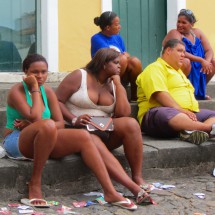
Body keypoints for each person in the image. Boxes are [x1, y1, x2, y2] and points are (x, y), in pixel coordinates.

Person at [2, 53, 149, 210]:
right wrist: (34, 90)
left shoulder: (48, 92)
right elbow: (36, 116)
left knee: (84, 136)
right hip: (16, 140)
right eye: (34, 72)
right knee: (47, 125)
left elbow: (59, 123)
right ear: (25, 72)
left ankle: (110, 191)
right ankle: (35, 183)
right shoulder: (17, 91)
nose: (39, 76)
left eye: (43, 72)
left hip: (45, 138)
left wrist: (37, 124)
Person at [55, 48, 154, 200]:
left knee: (131, 124)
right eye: (116, 63)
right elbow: (57, 100)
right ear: (103, 64)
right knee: (92, 139)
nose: (120, 67)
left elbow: (123, 114)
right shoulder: (79, 76)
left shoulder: (113, 83)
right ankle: (132, 188)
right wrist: (73, 119)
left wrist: (119, 86)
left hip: (103, 129)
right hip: (78, 131)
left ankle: (137, 177)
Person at [136, 39, 215, 145]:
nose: (183, 55)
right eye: (180, 51)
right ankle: (209, 129)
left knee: (212, 115)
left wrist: (185, 111)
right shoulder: (154, 68)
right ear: (168, 50)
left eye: (184, 52)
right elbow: (160, 94)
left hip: (186, 114)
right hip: (157, 114)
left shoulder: (178, 72)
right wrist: (181, 110)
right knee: (167, 114)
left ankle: (189, 132)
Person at [162, 9, 215, 100]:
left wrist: (206, 61)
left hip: (196, 64)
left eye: (184, 22)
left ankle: (198, 92)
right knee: (185, 62)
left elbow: (209, 50)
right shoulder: (174, 33)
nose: (179, 25)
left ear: (192, 24)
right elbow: (180, 52)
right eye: (178, 22)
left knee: (212, 63)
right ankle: (184, 92)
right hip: (174, 65)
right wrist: (201, 60)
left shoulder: (197, 33)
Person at [91, 11, 142, 101]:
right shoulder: (96, 38)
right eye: (117, 24)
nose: (120, 26)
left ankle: (135, 96)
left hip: (119, 72)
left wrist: (123, 56)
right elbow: (108, 56)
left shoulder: (117, 37)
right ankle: (110, 90)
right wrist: (123, 56)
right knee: (122, 59)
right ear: (108, 27)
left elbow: (126, 54)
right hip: (103, 74)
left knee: (135, 61)